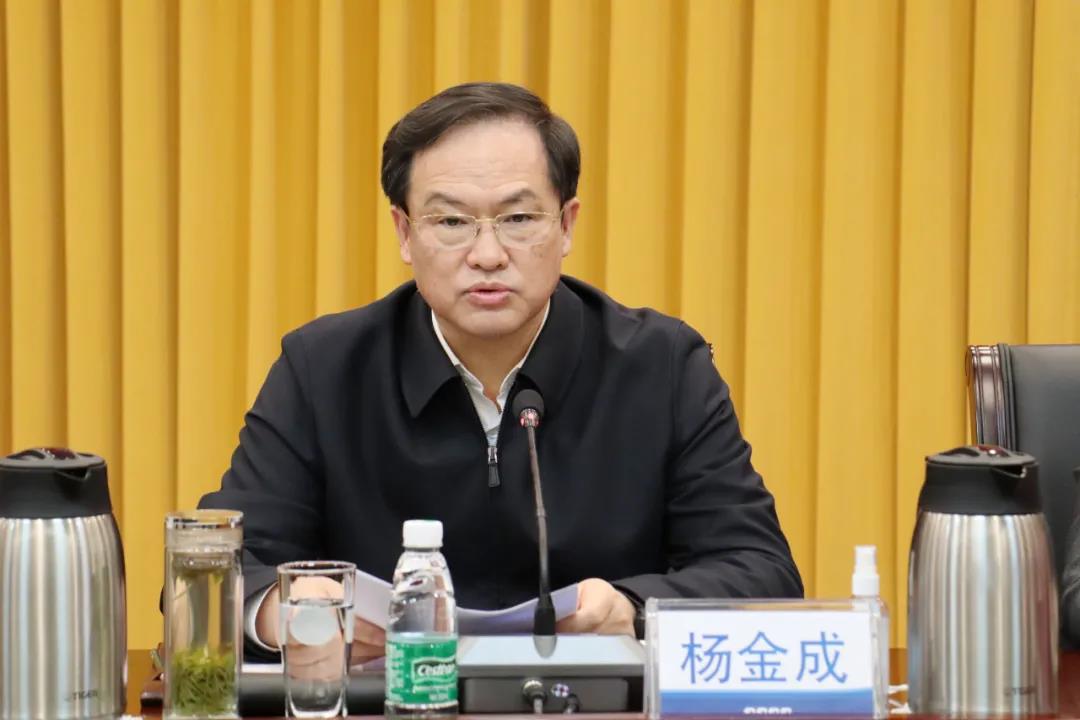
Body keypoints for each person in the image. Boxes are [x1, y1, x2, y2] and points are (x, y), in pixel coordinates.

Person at [199, 82, 803, 661]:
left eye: (518, 219)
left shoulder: (662, 365)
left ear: (566, 226)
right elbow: (217, 573)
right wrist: (285, 610)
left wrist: (633, 608)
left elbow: (760, 569)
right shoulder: (324, 369)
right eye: (451, 222)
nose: (487, 255)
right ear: (405, 233)